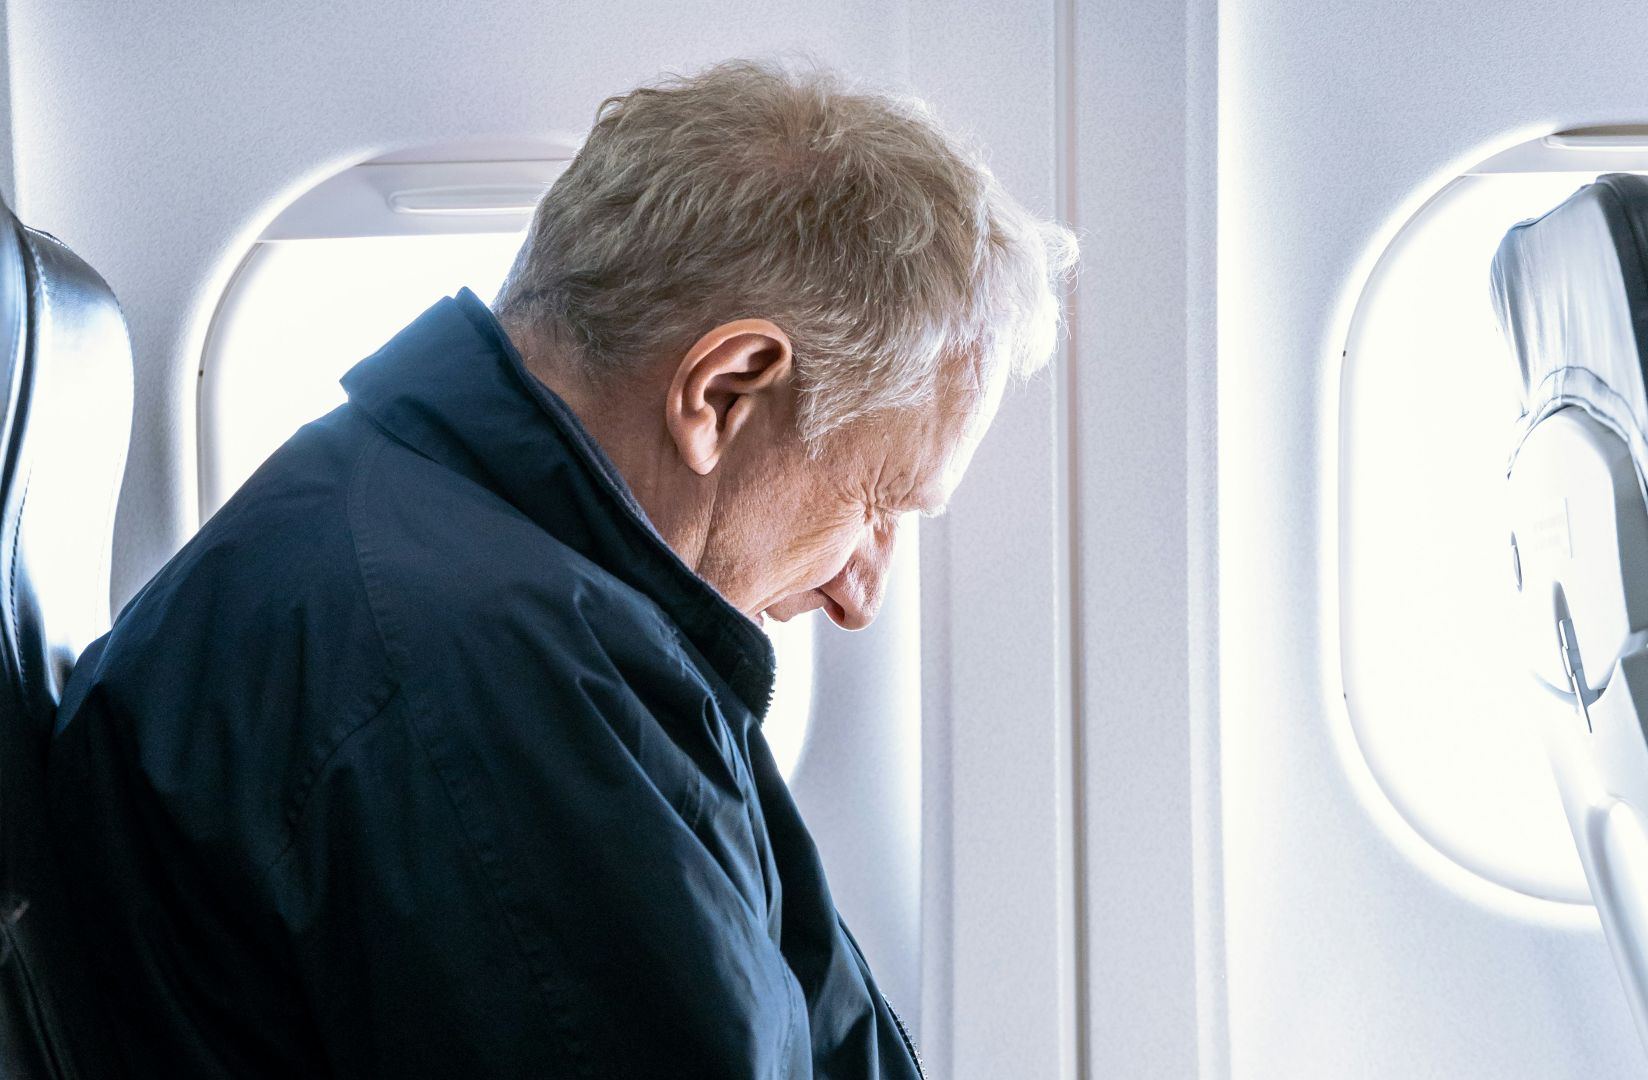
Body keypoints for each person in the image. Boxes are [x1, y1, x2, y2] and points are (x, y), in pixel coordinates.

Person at [46, 60, 1075, 1078]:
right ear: (722, 392)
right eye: (878, 504)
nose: (862, 595)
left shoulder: (533, 598)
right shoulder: (477, 678)